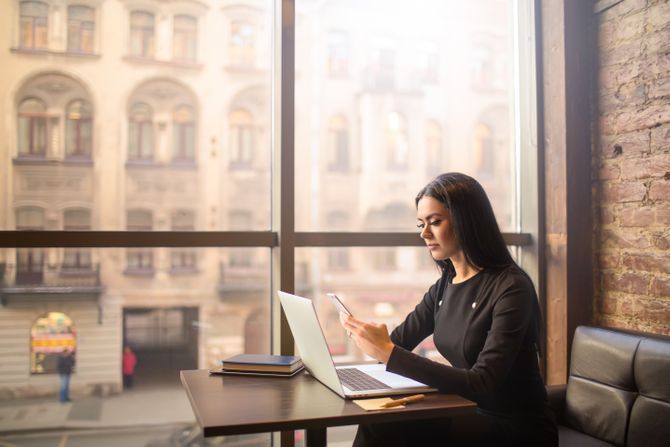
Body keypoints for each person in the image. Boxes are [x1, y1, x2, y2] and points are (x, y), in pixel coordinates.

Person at [340, 173, 558, 447]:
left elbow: (482, 381)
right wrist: (370, 337)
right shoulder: (445, 285)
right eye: (421, 224)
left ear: (466, 221)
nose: (424, 233)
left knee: (386, 429)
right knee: (380, 421)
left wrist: (387, 351)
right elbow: (397, 343)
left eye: (435, 222)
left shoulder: (512, 287)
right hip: (468, 411)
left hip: (516, 426)